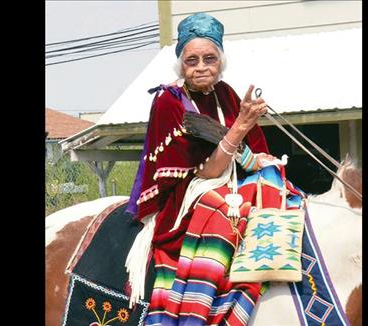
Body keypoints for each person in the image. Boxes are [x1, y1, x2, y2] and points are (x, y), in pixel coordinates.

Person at [125, 12, 303, 325]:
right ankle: (200, 311)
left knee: (279, 190)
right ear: (180, 64)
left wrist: (264, 160)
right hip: (186, 193)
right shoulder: (169, 101)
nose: (201, 67)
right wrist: (240, 129)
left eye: (209, 58)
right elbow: (203, 173)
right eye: (191, 60)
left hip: (230, 179)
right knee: (220, 210)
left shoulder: (227, 94)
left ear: (220, 61)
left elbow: (256, 151)